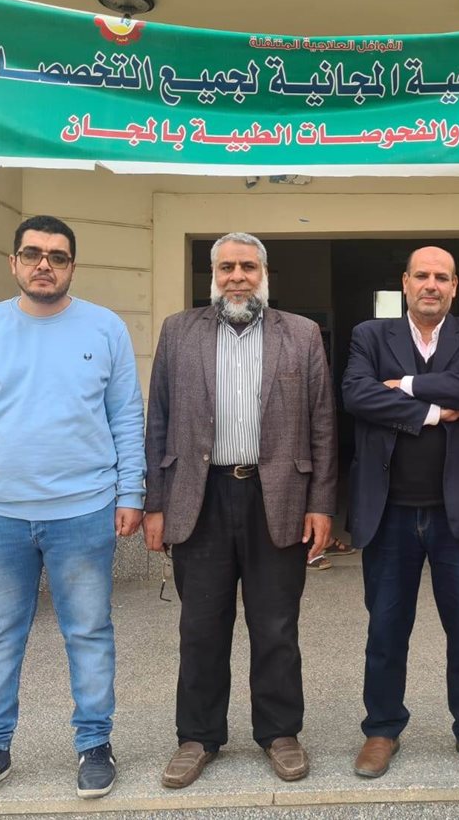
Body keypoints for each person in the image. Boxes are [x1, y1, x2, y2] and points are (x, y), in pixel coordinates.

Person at [0, 215, 146, 805]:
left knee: (90, 631)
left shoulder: (104, 327)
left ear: (72, 266)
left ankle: (95, 745)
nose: (44, 264)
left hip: (84, 511)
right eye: (32, 254)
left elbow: (127, 416)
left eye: (57, 256)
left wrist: (131, 493)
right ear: (14, 262)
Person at [143, 232, 335, 788]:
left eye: (247, 267)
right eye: (226, 267)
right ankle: (197, 737)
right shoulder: (178, 331)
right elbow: (158, 419)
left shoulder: (301, 334)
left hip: (277, 496)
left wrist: (322, 504)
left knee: (276, 626)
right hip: (198, 496)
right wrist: (155, 503)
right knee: (201, 627)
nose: (237, 277)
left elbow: (323, 423)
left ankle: (280, 733)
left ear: (264, 273)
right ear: (213, 274)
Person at [342, 246, 459, 781]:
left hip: (458, 512)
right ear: (405, 283)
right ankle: (381, 728)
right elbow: (358, 395)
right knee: (386, 629)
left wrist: (409, 385)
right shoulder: (371, 335)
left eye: (441, 277)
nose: (431, 284)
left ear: (454, 286)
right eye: (422, 276)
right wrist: (434, 412)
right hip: (389, 511)